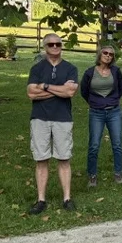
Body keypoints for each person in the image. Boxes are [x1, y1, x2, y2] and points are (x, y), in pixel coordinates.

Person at [26, 33, 79, 215]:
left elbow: (70, 93)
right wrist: (60, 90)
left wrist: (45, 87)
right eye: (51, 44)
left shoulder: (70, 68)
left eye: (58, 44)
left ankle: (67, 198)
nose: (55, 47)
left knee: (64, 158)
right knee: (41, 159)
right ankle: (41, 199)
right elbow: (31, 94)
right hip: (39, 118)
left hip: (63, 118)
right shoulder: (37, 68)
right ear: (45, 47)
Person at [80, 45, 122, 187]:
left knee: (117, 144)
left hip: (114, 112)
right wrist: (94, 102)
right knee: (94, 145)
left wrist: (112, 100)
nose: (108, 56)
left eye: (111, 54)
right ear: (100, 54)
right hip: (96, 112)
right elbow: (84, 91)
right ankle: (92, 175)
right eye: (105, 53)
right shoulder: (90, 72)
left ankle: (118, 173)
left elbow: (121, 88)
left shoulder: (115, 71)